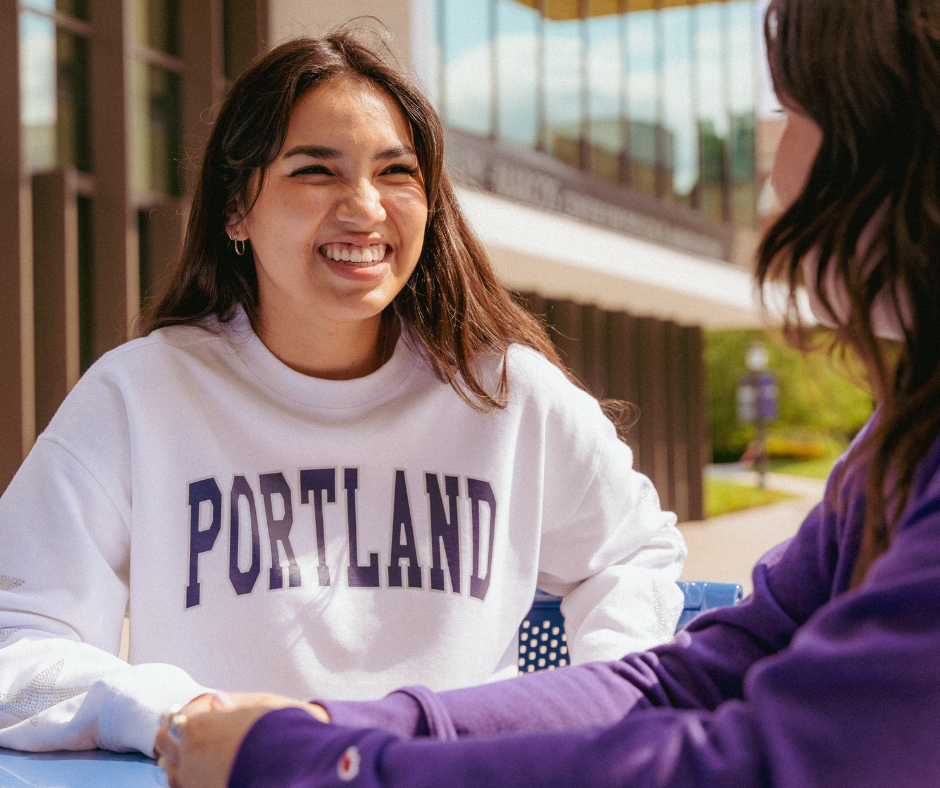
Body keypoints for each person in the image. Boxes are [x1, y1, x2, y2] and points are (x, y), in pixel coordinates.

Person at [155, 1, 940, 786]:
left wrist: (330, 764)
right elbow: (687, 680)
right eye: (315, 169)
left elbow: (765, 763)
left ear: (898, 137)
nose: (776, 178)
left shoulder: (507, 388)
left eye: (795, 114)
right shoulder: (899, 441)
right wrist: (347, 727)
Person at [0, 30, 687, 757]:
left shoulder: (505, 395)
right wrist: (179, 715)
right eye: (316, 171)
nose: (365, 208)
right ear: (237, 208)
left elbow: (632, 555)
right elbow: (17, 635)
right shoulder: (141, 396)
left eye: (397, 172)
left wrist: (608, 715)